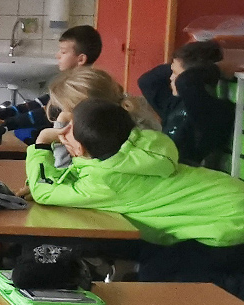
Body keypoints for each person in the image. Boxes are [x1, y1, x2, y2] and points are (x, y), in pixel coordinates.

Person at [28, 99, 244, 291]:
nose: (62, 131)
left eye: (68, 129)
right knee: (159, 267)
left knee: (171, 289)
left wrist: (42, 144)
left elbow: (44, 191)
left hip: (227, 224)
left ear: (80, 148)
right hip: (231, 196)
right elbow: (82, 168)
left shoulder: (104, 182)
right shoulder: (141, 143)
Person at [0, 24, 102, 136]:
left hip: (70, 141)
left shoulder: (83, 86)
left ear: (81, 59)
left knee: (21, 134)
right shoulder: (73, 81)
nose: (57, 55)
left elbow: (47, 113)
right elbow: (42, 103)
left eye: (63, 52)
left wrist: (5, 123)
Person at [137, 39, 235, 169]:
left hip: (183, 174)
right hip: (160, 165)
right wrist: (179, 64)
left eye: (175, 74)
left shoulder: (212, 111)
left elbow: (186, 82)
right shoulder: (176, 102)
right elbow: (147, 81)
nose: (171, 78)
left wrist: (216, 68)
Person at [40, 67, 161, 168]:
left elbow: (63, 178)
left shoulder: (105, 142)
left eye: (67, 110)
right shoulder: (135, 117)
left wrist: (57, 135)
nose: (65, 115)